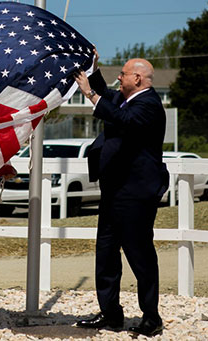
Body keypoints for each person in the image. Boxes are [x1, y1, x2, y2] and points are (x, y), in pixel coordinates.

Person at [72, 53, 168, 337]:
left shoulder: (149, 104)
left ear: (137, 78)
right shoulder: (126, 100)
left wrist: (89, 93)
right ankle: (111, 314)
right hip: (114, 191)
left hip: (136, 195)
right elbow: (109, 97)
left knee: (140, 255)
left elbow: (122, 118)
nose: (119, 77)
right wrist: (93, 67)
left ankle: (151, 317)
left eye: (123, 73)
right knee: (106, 253)